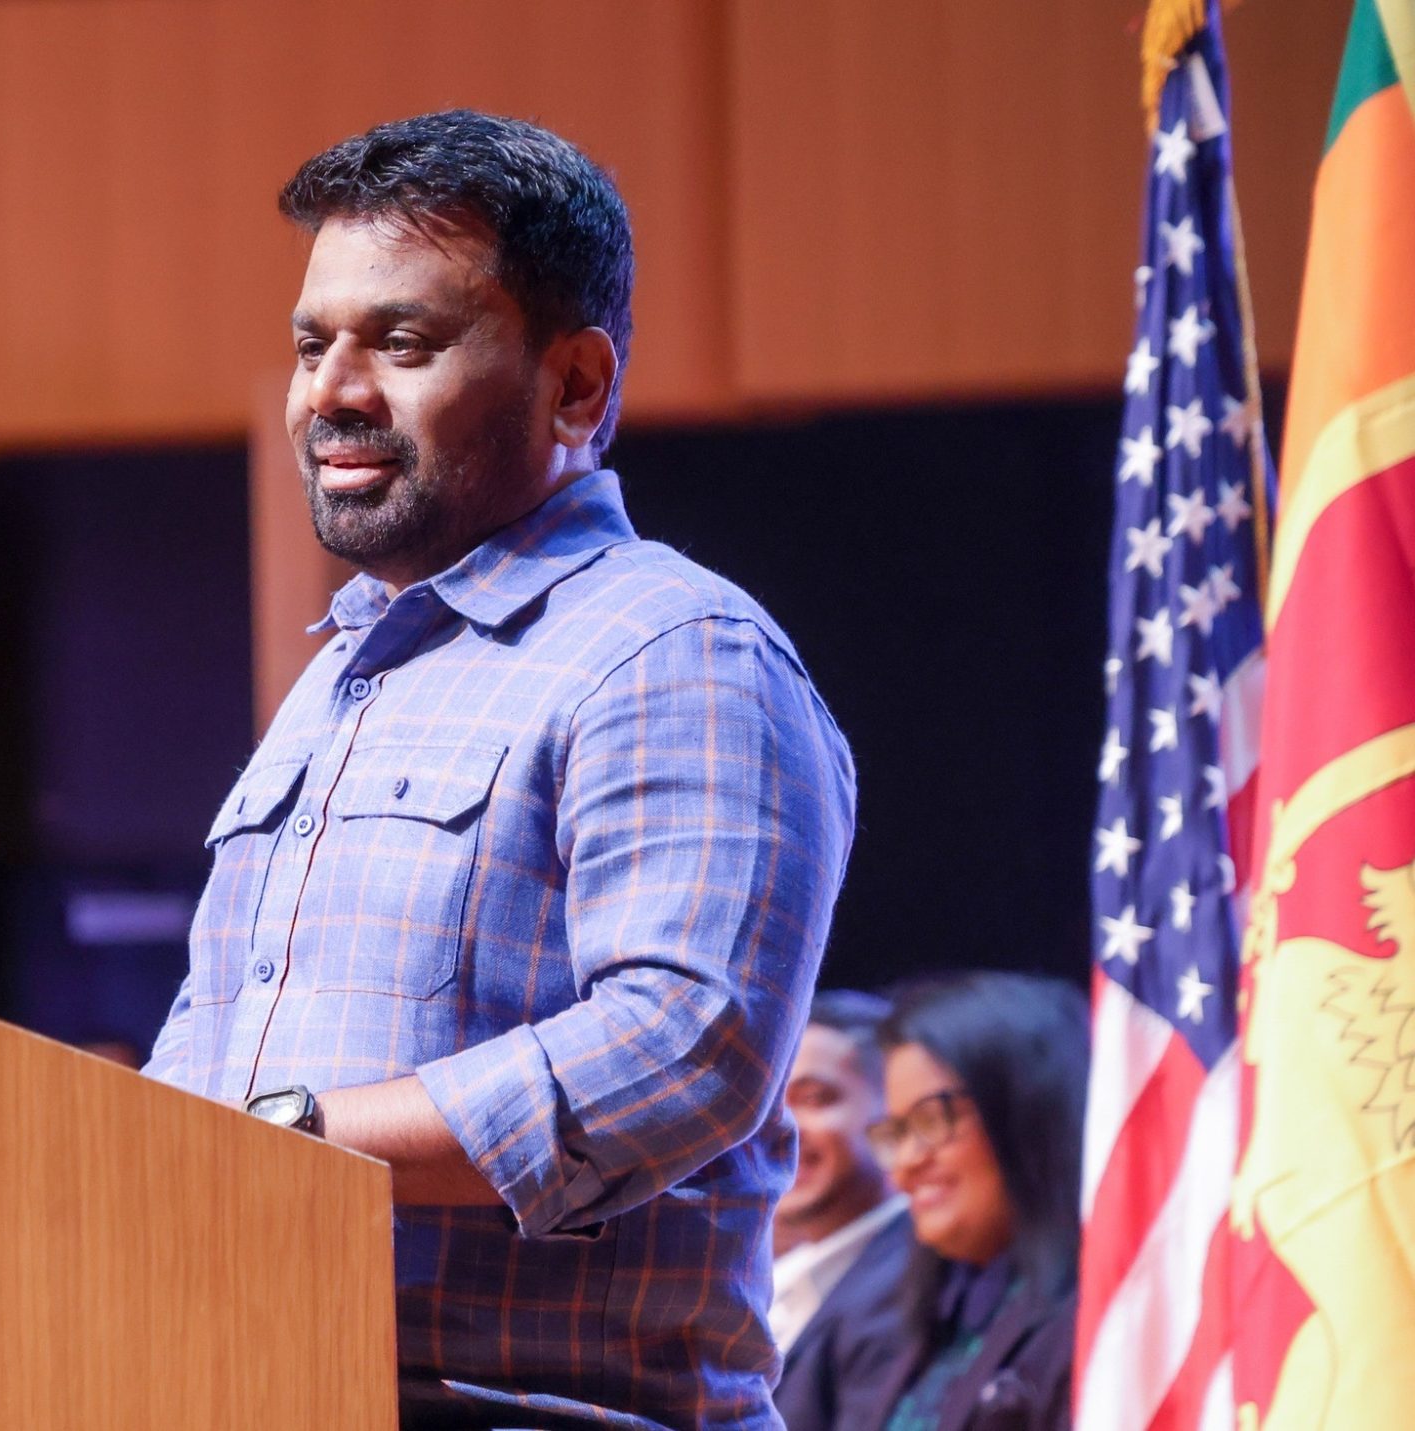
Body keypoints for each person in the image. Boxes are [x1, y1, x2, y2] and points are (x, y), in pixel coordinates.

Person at [141, 110, 856, 1429]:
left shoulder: (672, 649)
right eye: (310, 345)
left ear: (574, 385)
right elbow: (211, 1039)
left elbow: (684, 1043)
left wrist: (295, 1137)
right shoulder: (339, 679)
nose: (331, 392)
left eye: (401, 343)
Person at [851, 973, 1089, 1431]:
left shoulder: (1103, 1320)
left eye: (931, 1118)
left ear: (1030, 1107)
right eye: (897, 1132)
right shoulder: (932, 1318)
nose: (907, 1163)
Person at [771, 990, 915, 1431]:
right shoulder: (776, 1278)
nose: (780, 1129)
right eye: (770, 1103)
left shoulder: (913, 1281)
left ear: (893, 1111)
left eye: (815, 1098)